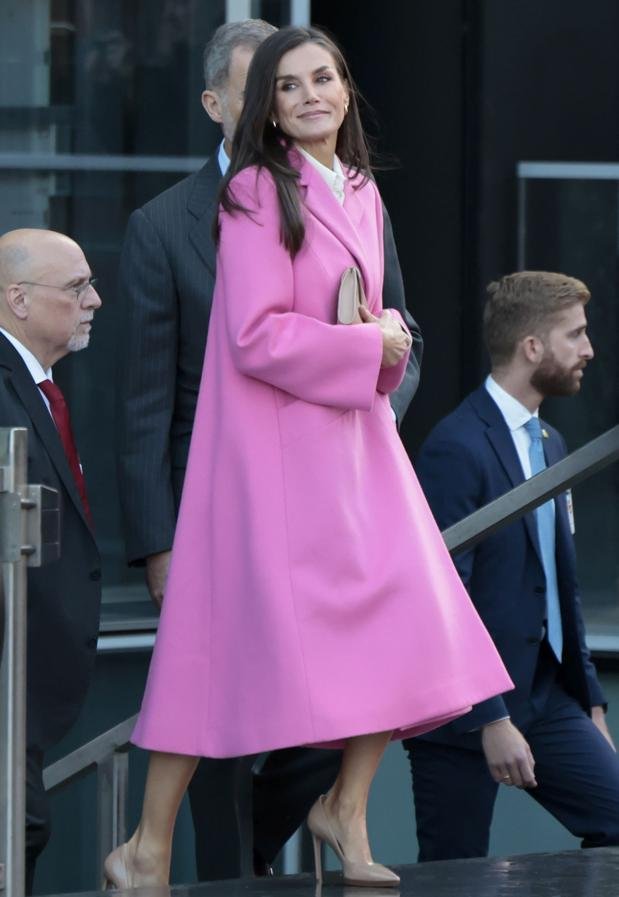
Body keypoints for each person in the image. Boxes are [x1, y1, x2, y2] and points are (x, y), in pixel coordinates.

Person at [104, 26, 511, 889]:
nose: (310, 95)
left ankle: (346, 807)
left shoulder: (361, 189)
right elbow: (254, 336)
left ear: (345, 88)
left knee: (410, 611)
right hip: (270, 452)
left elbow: (387, 320)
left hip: (355, 446)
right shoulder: (254, 190)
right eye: (288, 87)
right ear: (269, 110)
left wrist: (387, 343)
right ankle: (145, 844)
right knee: (212, 644)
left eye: (322, 78)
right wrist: (369, 344)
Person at [404, 270, 619, 861]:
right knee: (454, 875)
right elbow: (444, 594)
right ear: (532, 347)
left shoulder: (550, 442)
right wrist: (489, 718)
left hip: (546, 697)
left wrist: (592, 705)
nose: (588, 350)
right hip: (464, 712)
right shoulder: (456, 446)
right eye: (574, 334)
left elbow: (560, 585)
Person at [0, 228, 102, 895]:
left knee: (24, 830)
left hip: (29, 677)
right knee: (19, 832)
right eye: (75, 288)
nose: (94, 300)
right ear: (18, 299)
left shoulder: (37, 388)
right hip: (7, 670)